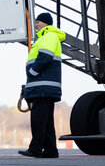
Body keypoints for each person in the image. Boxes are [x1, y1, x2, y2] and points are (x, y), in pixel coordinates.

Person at [19, 12, 66, 159]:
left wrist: (32, 72)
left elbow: (45, 57)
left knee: (38, 119)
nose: (36, 24)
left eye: (38, 22)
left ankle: (35, 149)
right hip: (43, 86)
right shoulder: (46, 37)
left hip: (43, 86)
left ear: (45, 23)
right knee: (46, 121)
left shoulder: (49, 36)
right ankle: (51, 150)